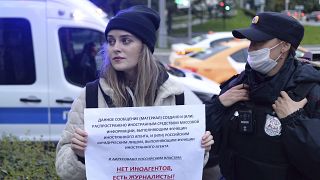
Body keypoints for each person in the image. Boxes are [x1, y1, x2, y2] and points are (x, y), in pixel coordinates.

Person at [55, 5, 214, 179]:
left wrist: (200, 148)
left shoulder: (176, 94)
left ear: (144, 47)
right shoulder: (91, 95)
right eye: (111, 40)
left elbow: (188, 163)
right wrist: (79, 154)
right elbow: (63, 168)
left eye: (125, 40)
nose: (115, 47)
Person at [206, 12, 320, 180]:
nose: (251, 48)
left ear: (284, 46)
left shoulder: (309, 91)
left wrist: (295, 121)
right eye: (251, 41)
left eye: (259, 42)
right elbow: (207, 147)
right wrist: (218, 106)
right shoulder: (238, 84)